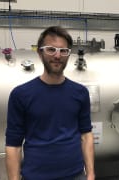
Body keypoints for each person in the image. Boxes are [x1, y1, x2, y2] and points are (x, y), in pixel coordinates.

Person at [5, 26, 95, 180]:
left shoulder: (80, 93)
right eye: (51, 49)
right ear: (40, 53)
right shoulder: (21, 95)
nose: (57, 55)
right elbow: (13, 146)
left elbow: (86, 135)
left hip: (75, 175)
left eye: (63, 51)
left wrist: (91, 174)